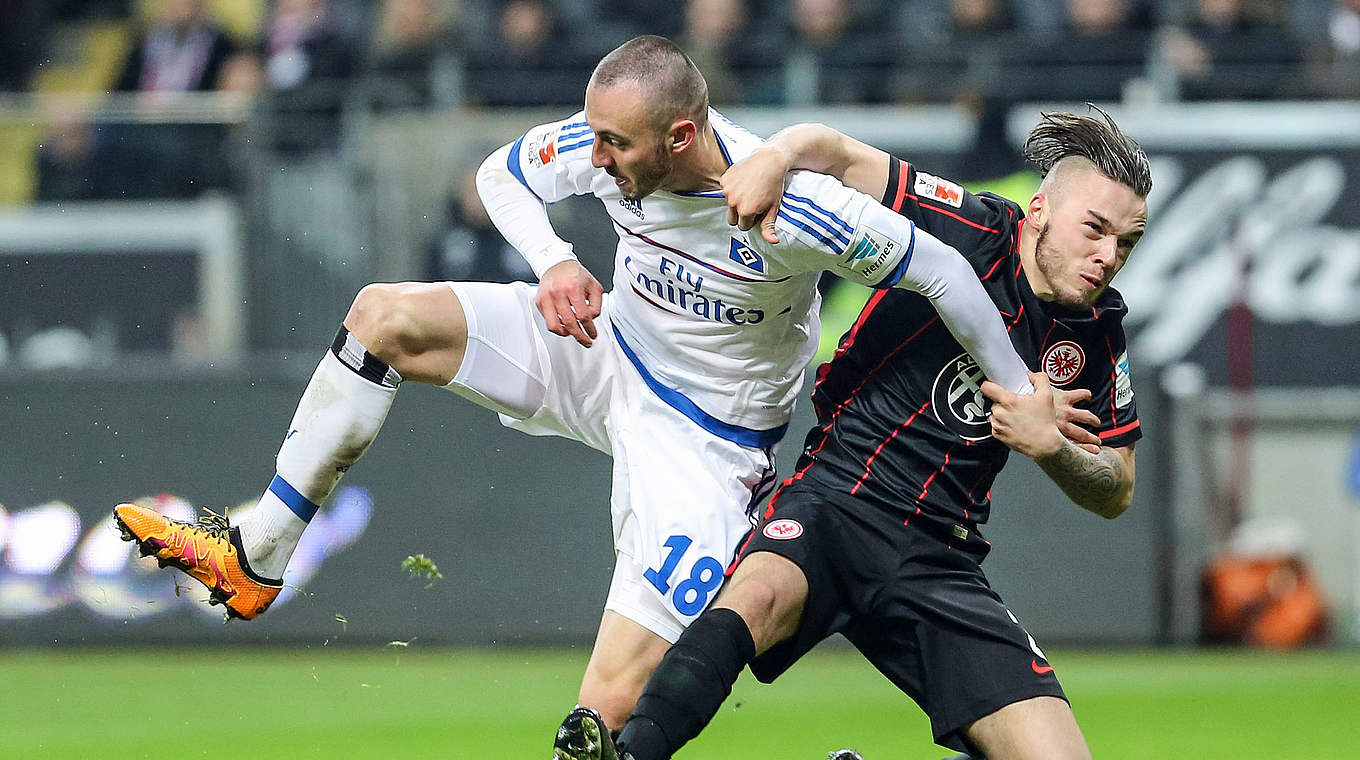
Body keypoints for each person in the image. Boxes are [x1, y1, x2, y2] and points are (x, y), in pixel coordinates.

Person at [112, 35, 1057, 743]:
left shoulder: (789, 207)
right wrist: (557, 259)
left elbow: (941, 269)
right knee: (382, 316)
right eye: (594, 138)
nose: (594, 159)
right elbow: (502, 172)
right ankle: (258, 554)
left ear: (682, 136)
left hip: (708, 440)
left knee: (608, 707)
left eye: (615, 145)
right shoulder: (609, 145)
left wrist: (1019, 392)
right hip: (601, 350)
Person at [554, 106, 1149, 760]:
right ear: (1037, 211)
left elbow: (1116, 486)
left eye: (1125, 243)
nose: (1107, 256)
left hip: (940, 556)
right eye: (1094, 229)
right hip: (837, 501)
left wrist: (1053, 448)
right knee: (753, 599)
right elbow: (831, 150)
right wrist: (775, 158)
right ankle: (631, 752)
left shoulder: (1096, 332)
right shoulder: (969, 227)